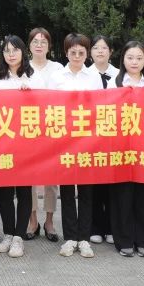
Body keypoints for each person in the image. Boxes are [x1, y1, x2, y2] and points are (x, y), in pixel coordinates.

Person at [50, 34, 102, 259]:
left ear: (87, 54)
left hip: (87, 140)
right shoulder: (57, 77)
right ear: (66, 53)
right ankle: (70, 237)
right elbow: (49, 104)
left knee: (87, 191)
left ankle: (84, 238)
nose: (77, 56)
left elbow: (101, 105)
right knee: (67, 191)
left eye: (81, 52)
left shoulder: (93, 77)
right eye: (73, 52)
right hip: (64, 141)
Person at [108, 41, 144, 257]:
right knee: (123, 195)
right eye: (130, 57)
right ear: (123, 60)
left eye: (139, 58)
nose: (134, 62)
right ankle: (124, 240)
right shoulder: (114, 82)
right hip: (121, 148)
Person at [0, 35, 39, 258]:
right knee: (4, 191)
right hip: (2, 142)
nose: (11, 54)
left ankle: (19, 236)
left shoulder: (34, 76)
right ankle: (8, 233)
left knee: (24, 190)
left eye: (15, 50)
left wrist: (31, 94)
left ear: (23, 52)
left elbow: (46, 106)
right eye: (7, 50)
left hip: (26, 143)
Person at [26, 27, 63, 241]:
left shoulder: (58, 68)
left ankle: (49, 221)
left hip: (52, 127)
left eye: (43, 42)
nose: (39, 45)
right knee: (29, 175)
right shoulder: (23, 67)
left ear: (49, 46)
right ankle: (32, 221)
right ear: (29, 45)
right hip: (29, 128)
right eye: (35, 41)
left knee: (52, 176)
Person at [85, 35, 117, 244]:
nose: (100, 51)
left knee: (112, 184)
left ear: (110, 51)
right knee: (94, 183)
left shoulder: (120, 74)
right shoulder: (85, 74)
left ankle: (112, 227)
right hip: (91, 136)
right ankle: (95, 226)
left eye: (104, 48)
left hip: (115, 136)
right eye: (96, 48)